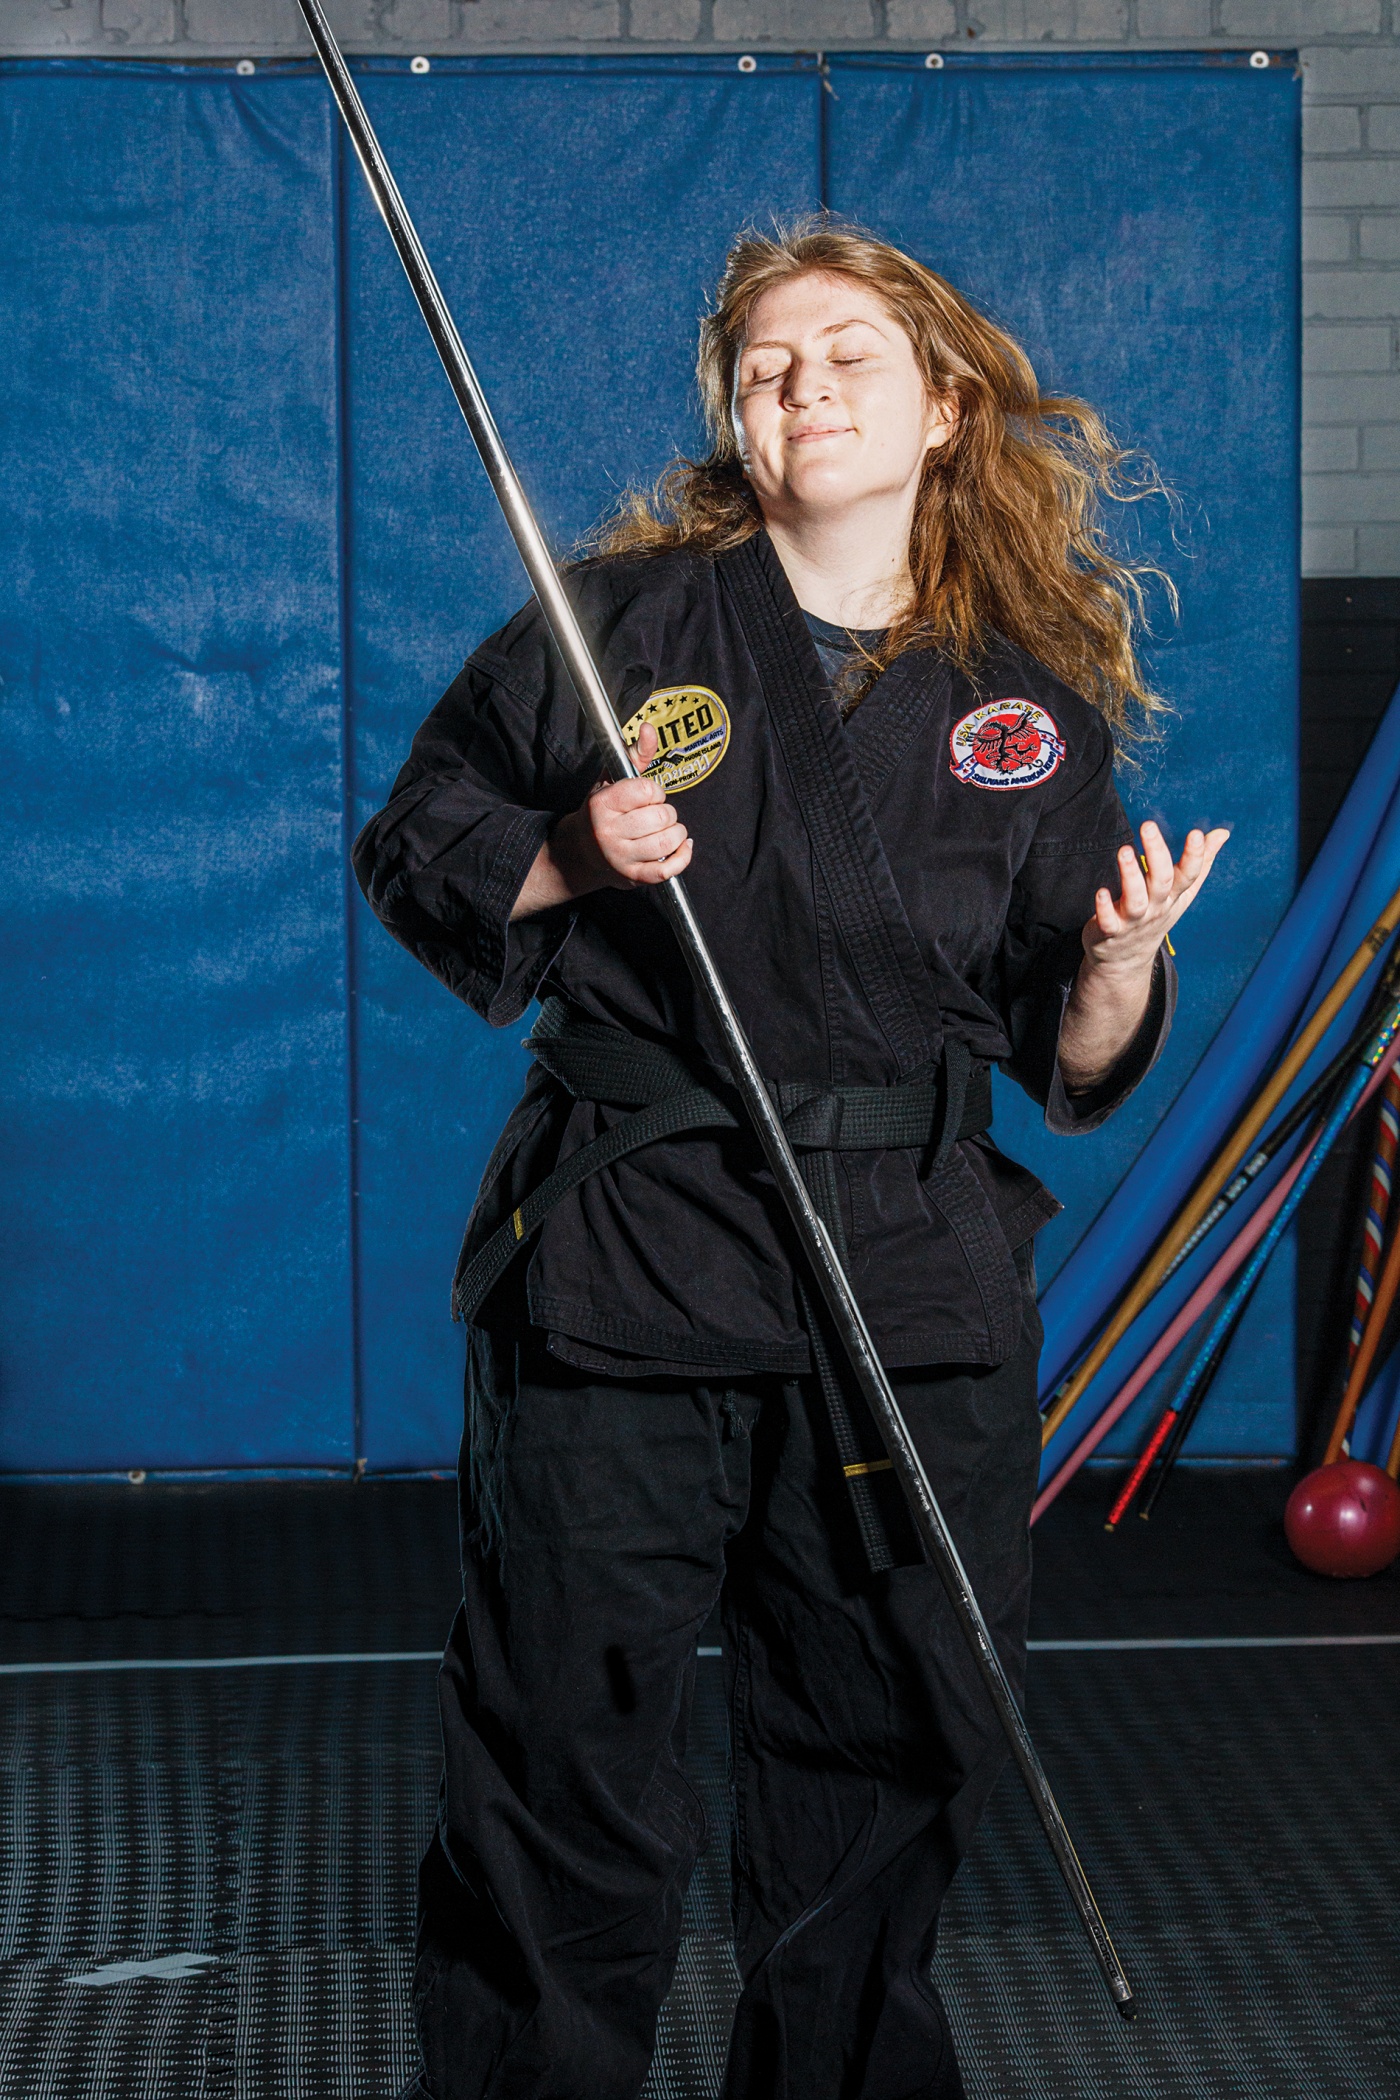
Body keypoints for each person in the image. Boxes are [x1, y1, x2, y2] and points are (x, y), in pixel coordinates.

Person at [356, 220, 1227, 2100]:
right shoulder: (619, 630)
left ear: (943, 408)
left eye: (846, 356)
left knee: (880, 1762)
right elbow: (417, 835)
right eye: (764, 366)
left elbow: (1076, 1065)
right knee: (560, 1764)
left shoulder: (1025, 713)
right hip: (629, 1271)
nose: (803, 387)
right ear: (734, 420)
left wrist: (1118, 969)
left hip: (904, 1289)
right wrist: (574, 849)